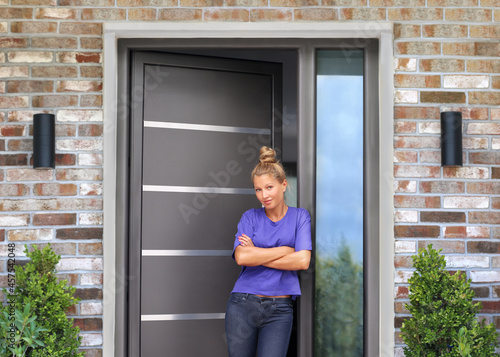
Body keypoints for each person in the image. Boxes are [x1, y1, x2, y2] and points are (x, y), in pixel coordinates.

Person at [225, 146, 312, 357]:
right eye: (258, 189)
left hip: (280, 309)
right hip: (243, 304)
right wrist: (284, 250)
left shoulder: (300, 217)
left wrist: (258, 254)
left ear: (284, 185)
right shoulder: (250, 217)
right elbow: (242, 257)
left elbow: (302, 261)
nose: (264, 195)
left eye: (269, 187)